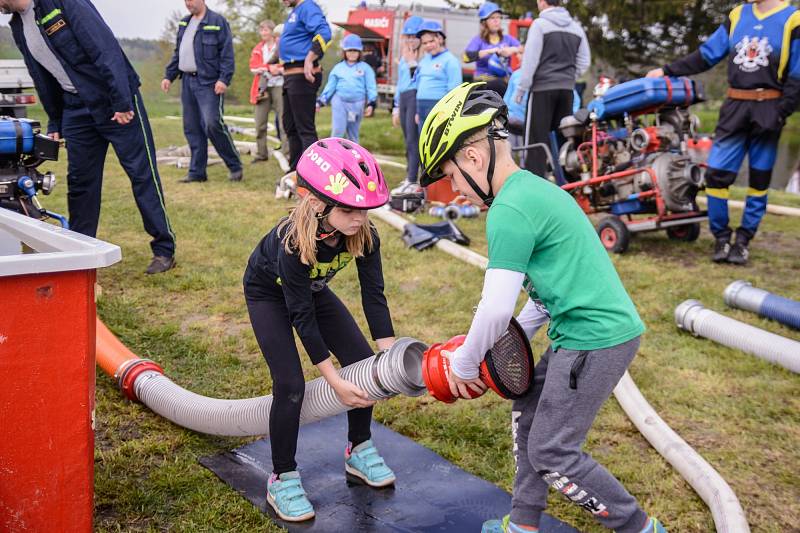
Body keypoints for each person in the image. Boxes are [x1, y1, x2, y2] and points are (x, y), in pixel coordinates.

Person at [418, 82, 665, 533]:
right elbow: (544, 293)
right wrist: (518, 336)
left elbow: (493, 310)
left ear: (473, 158)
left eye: (451, 175)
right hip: (584, 330)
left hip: (593, 338)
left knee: (552, 451)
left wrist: (466, 363)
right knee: (527, 402)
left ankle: (640, 529)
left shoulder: (508, 210)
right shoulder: (532, 189)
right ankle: (525, 523)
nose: (454, 190)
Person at [243, 137, 396, 522]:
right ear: (316, 202)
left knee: (363, 363)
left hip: (310, 290)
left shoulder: (364, 233)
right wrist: (333, 381)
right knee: (291, 385)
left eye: (366, 208)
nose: (360, 218)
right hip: (268, 295)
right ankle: (282, 476)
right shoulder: (293, 243)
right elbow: (301, 319)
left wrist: (390, 353)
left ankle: (358, 450)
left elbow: (373, 294)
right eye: (350, 209)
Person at [3, 0, 176, 275]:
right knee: (81, 183)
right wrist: (56, 118)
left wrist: (121, 101)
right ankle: (80, 255)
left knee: (142, 175)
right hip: (76, 108)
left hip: (114, 102)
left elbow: (104, 49)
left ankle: (164, 249)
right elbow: (41, 75)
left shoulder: (62, 3)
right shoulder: (17, 25)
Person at [647, 0, 800, 265]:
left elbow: (798, 73)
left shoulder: (793, 20)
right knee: (717, 175)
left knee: (759, 179)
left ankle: (742, 242)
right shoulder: (738, 15)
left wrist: (781, 111)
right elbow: (708, 54)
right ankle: (721, 237)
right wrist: (667, 70)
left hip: (770, 107)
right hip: (734, 107)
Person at [162, 0, 242, 183]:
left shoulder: (217, 22)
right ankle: (197, 172)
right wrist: (169, 76)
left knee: (212, 124)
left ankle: (234, 165)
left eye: (191, 0)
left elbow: (227, 53)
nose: (188, 3)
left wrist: (224, 79)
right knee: (192, 128)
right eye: (185, 1)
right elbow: (179, 53)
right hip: (187, 81)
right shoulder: (184, 23)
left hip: (209, 83)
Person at [515, 0, 589, 179]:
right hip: (566, 90)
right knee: (565, 138)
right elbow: (584, 61)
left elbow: (530, 61)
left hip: (541, 89)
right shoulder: (576, 28)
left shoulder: (539, 25)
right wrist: (568, 76)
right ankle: (569, 184)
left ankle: (534, 185)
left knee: (535, 141)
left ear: (542, 2)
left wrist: (521, 89)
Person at [279, 0, 332, 171]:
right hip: (289, 76)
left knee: (305, 128)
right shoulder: (295, 11)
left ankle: (312, 174)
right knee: (290, 125)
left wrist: (310, 58)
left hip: (302, 76)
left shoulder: (308, 7)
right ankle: (295, 170)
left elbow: (324, 33)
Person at [318, 34, 377, 144]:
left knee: (353, 135)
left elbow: (371, 86)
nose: (352, 54)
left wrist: (371, 103)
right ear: (344, 52)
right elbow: (330, 86)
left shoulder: (365, 68)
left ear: (360, 52)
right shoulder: (338, 68)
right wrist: (321, 101)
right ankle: (334, 155)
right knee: (338, 131)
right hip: (340, 102)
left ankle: (352, 159)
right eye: (349, 51)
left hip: (357, 104)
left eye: (355, 51)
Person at [391, 16, 424, 195]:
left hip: (414, 97)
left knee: (413, 139)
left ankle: (413, 180)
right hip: (403, 97)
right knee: (407, 140)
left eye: (415, 36)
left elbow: (418, 80)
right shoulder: (404, 57)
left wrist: (413, 62)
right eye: (408, 36)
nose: (411, 40)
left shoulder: (422, 59)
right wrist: (396, 106)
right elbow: (400, 82)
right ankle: (409, 176)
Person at [414, 20, 463, 133]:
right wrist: (418, 111)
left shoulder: (450, 60)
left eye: (431, 41)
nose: (428, 46)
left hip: (439, 106)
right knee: (423, 142)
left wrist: (447, 112)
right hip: (421, 105)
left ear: (440, 38)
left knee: (436, 142)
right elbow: (419, 84)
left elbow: (454, 90)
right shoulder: (424, 60)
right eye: (425, 43)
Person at [464, 2, 523, 95]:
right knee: (498, 85)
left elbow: (522, 49)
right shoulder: (478, 40)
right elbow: (466, 57)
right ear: (484, 22)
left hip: (504, 82)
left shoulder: (507, 39)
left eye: (499, 17)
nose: (497, 21)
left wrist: (511, 50)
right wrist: (491, 51)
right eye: (492, 18)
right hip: (483, 84)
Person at [249, 20, 286, 164]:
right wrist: (269, 68)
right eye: (261, 30)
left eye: (266, 30)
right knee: (260, 123)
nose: (263, 33)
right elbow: (253, 68)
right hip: (262, 88)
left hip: (279, 85)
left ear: (273, 32)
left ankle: (287, 152)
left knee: (284, 122)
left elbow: (284, 66)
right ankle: (261, 153)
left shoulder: (281, 47)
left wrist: (269, 68)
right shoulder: (258, 48)